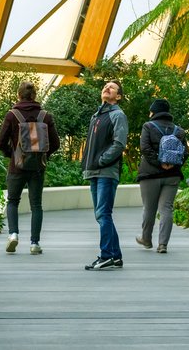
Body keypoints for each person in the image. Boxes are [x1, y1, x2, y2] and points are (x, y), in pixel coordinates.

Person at [0, 81, 59, 255]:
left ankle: (13, 234)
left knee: (13, 201)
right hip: (38, 167)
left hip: (17, 167)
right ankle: (34, 244)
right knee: (36, 205)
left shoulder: (12, 115)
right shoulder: (45, 116)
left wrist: (13, 155)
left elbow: (0, 142)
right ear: (35, 95)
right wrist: (43, 156)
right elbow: (56, 143)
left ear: (19, 95)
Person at [81, 80, 129, 270]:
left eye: (112, 88)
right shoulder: (97, 116)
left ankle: (107, 255)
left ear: (118, 97)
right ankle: (115, 256)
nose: (107, 88)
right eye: (105, 86)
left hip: (106, 172)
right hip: (94, 171)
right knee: (102, 214)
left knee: (103, 213)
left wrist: (101, 161)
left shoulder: (117, 115)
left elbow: (119, 144)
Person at [136, 98, 189, 253]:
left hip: (150, 174)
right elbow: (185, 152)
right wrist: (172, 164)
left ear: (154, 111)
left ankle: (146, 239)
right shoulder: (178, 130)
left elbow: (145, 148)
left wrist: (160, 163)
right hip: (172, 175)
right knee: (166, 208)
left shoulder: (148, 126)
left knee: (149, 208)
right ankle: (163, 244)